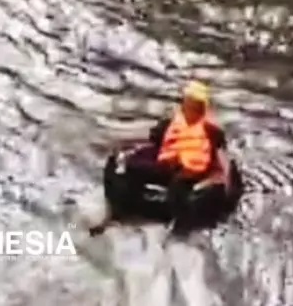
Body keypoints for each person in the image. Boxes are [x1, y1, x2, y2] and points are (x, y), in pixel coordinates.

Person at [89, 80, 232, 236]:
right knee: (133, 169)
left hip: (191, 172)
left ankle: (180, 227)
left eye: (195, 104)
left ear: (202, 107)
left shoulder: (211, 131)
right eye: (188, 102)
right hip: (167, 165)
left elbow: (221, 161)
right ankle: (119, 211)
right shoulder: (172, 122)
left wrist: (223, 182)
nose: (190, 107)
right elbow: (153, 140)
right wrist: (124, 151)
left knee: (179, 188)